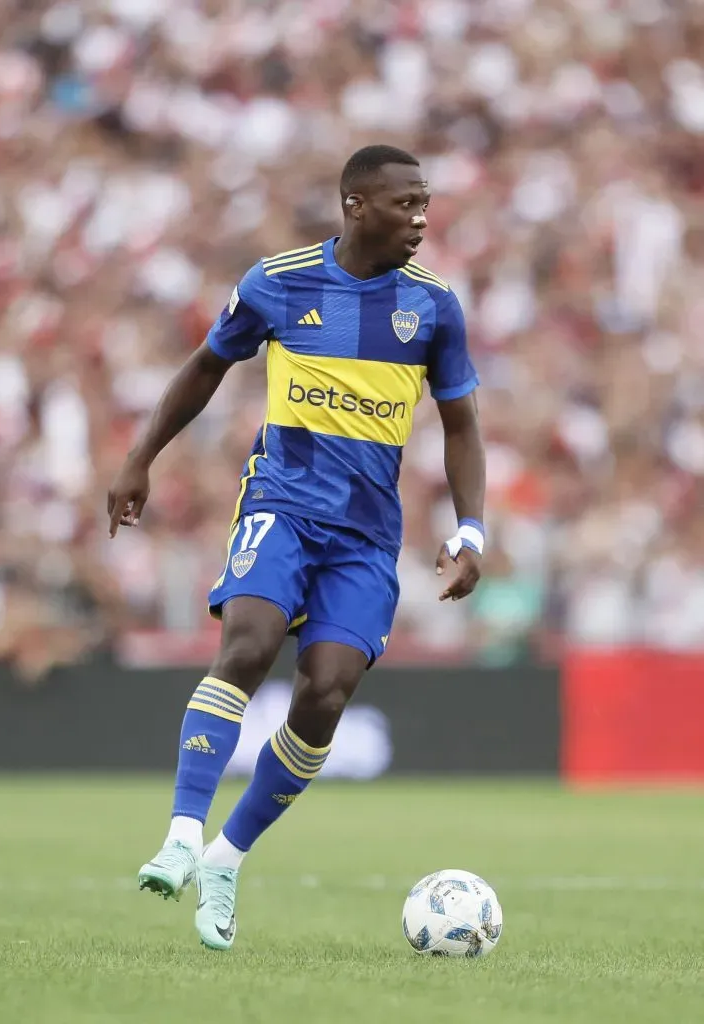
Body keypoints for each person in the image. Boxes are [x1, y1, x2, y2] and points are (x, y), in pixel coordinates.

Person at [107, 145, 486, 950]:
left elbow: (461, 425)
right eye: (404, 203)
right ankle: (180, 832)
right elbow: (206, 366)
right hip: (281, 504)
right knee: (245, 645)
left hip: (365, 533)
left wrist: (469, 529)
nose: (420, 218)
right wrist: (141, 457)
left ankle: (225, 855)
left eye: (425, 203)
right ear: (355, 205)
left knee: (325, 692)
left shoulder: (434, 308)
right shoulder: (276, 281)